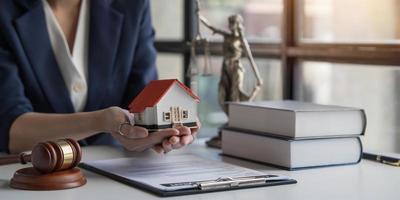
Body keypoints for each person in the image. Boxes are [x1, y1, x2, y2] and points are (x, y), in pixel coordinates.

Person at [0, 0, 199, 154]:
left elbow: (142, 101)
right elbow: (10, 127)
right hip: (31, 175)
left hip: (115, 173)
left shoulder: (132, 5)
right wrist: (101, 121)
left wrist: (158, 133)